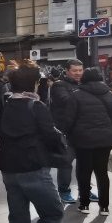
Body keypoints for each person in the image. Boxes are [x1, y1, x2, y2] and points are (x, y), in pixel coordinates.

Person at [0, 65, 64, 223]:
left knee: (18, 219)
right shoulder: (36, 106)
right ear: (33, 84)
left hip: (9, 169)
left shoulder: (8, 105)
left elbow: (1, 134)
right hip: (32, 168)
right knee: (53, 214)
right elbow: (51, 136)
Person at [60, 67, 112, 214]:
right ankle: (104, 206)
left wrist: (67, 135)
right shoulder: (109, 95)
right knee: (102, 173)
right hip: (105, 140)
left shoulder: (76, 95)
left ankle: (84, 204)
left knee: (84, 172)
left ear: (84, 78)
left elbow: (69, 120)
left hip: (82, 140)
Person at [49, 60, 84, 202]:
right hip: (65, 132)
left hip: (82, 131)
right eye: (75, 70)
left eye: (80, 70)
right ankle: (64, 191)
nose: (78, 73)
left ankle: (85, 191)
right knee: (65, 163)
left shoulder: (83, 85)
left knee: (84, 164)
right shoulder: (59, 85)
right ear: (67, 71)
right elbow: (65, 101)